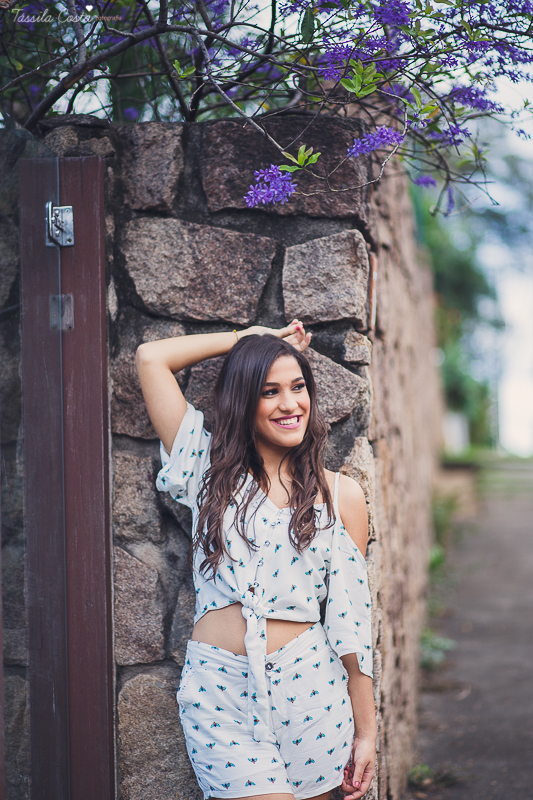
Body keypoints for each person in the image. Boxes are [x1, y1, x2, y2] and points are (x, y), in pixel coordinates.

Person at [136, 320, 377, 800]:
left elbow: (351, 620)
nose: (290, 404)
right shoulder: (206, 470)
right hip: (219, 692)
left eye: (298, 387)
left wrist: (367, 731)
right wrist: (245, 338)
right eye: (270, 391)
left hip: (312, 691)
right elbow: (150, 358)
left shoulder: (340, 495)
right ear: (244, 402)